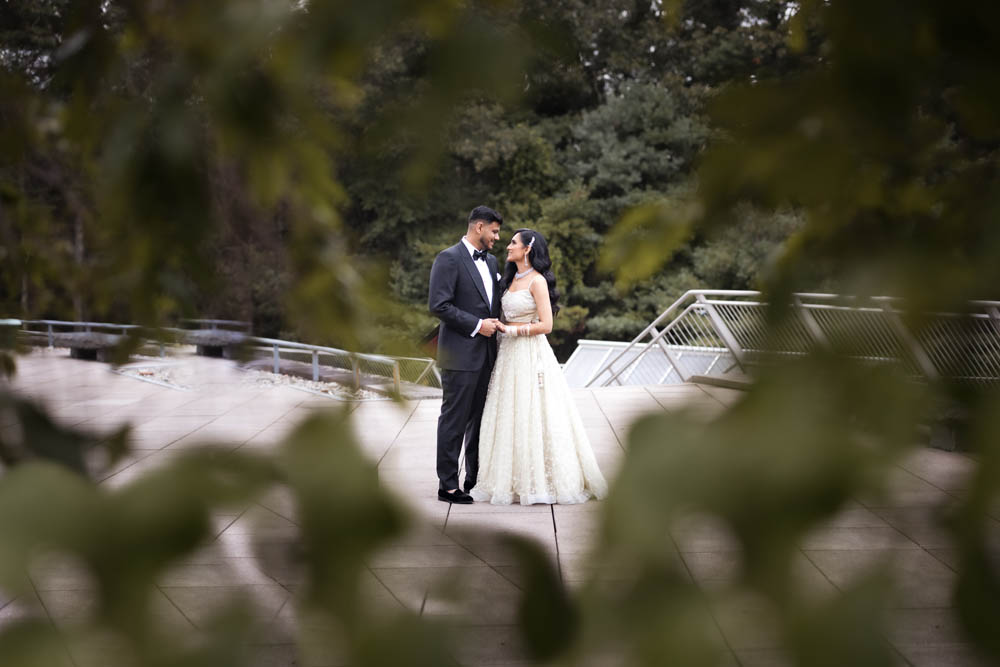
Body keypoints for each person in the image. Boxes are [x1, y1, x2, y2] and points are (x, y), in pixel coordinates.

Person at [471, 229, 608, 505]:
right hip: (507, 357)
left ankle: (543, 481)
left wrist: (512, 332)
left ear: (528, 249)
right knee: (509, 413)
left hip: (530, 354)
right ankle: (509, 480)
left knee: (534, 411)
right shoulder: (508, 281)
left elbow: (547, 325)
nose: (507, 246)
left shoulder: (537, 282)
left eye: (513, 243)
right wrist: (499, 328)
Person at [428, 206, 504, 504]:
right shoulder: (448, 258)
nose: (497, 238)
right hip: (459, 354)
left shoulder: (493, 261)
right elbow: (439, 305)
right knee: (454, 421)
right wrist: (477, 325)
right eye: (494, 232)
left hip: (487, 356)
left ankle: (474, 480)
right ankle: (447, 486)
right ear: (479, 227)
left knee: (480, 421)